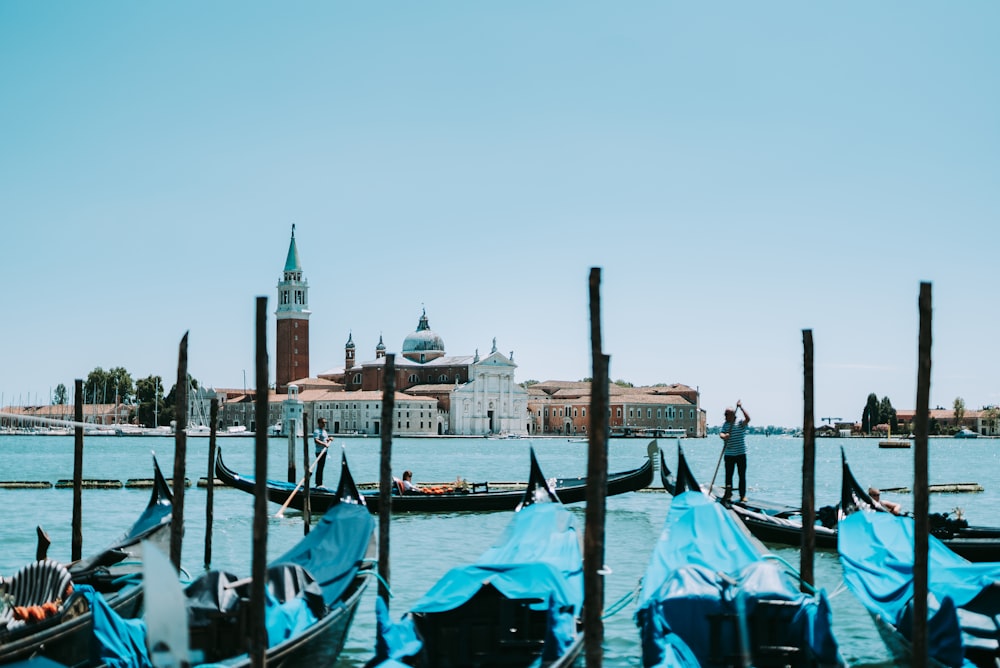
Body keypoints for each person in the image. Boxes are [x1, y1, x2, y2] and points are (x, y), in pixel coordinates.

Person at [719, 400, 750, 503]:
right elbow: (721, 434)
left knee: (742, 475)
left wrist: (741, 408)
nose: (725, 416)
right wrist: (725, 436)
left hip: (741, 453)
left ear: (732, 414)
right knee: (729, 476)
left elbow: (748, 419)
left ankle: (742, 496)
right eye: (725, 414)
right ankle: (728, 495)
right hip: (729, 455)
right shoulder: (725, 424)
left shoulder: (740, 423)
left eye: (726, 414)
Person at [313, 417, 333, 486]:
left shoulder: (324, 431)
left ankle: (320, 483)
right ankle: (318, 483)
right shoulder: (317, 431)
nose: (324, 424)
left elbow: (325, 439)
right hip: (319, 452)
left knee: (321, 467)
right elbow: (316, 440)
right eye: (323, 423)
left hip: (324, 452)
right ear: (319, 423)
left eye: (325, 423)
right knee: (320, 467)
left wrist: (329, 439)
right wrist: (324, 444)